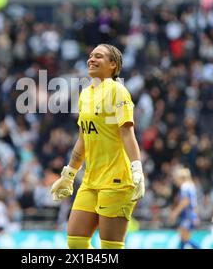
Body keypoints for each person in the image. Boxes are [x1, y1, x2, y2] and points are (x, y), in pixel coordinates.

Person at [50, 44, 145, 249]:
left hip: (116, 181)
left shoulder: (118, 91)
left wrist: (137, 168)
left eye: (99, 56)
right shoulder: (85, 94)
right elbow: (84, 137)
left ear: (113, 64)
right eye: (91, 55)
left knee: (110, 248)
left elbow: (127, 133)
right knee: (75, 242)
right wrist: (69, 174)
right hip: (91, 180)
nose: (91, 59)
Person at [169, 168, 200, 249]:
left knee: (184, 238)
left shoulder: (185, 186)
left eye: (177, 178)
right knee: (183, 238)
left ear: (182, 178)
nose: (176, 181)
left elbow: (185, 201)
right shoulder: (191, 185)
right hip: (191, 214)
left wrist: (175, 212)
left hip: (187, 215)